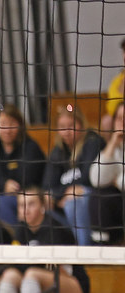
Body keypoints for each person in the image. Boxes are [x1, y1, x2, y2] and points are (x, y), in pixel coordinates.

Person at [0, 103, 47, 227]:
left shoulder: (30, 147)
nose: (7, 129)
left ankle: (14, 241)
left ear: (20, 125)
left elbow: (25, 180)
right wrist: (3, 185)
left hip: (26, 199)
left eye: (12, 124)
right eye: (2, 124)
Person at [43, 106, 104, 247]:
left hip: (93, 198)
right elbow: (47, 186)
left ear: (81, 124)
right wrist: (61, 195)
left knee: (73, 203)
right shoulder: (57, 151)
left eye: (71, 126)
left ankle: (84, 251)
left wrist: (62, 194)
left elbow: (88, 179)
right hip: (65, 201)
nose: (67, 132)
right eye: (62, 127)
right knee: (42, 207)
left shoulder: (93, 142)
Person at [89, 102, 125, 245]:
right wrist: (112, 144)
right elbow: (96, 179)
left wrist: (119, 181)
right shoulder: (114, 148)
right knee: (98, 195)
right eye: (119, 118)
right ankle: (101, 246)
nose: (123, 123)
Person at [101, 38, 125, 138]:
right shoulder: (117, 80)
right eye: (124, 51)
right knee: (107, 121)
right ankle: (114, 151)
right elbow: (111, 107)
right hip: (119, 120)